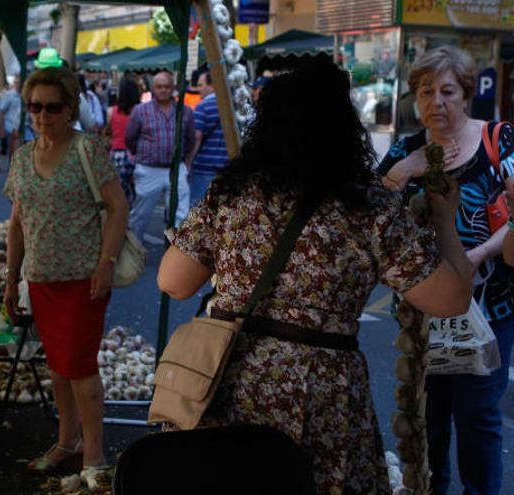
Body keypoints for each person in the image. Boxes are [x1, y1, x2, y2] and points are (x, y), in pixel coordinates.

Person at [157, 56, 473, 495]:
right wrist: (444, 220)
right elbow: (451, 299)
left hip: (227, 379)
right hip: (324, 393)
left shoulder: (232, 193)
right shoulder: (370, 209)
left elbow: (173, 282)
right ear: (345, 129)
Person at [377, 46, 514, 495]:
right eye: (426, 90)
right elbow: (369, 214)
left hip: (489, 305)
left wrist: (478, 256)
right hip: (421, 314)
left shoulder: (499, 139)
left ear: (467, 94)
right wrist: (404, 171)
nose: (437, 101)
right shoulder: (406, 149)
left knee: (479, 415)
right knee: (425, 418)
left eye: (448, 91)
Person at [3, 66, 129, 485]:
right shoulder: (22, 158)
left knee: (79, 365)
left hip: (83, 279)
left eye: (52, 107)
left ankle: (94, 452)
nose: (42, 115)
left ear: (71, 107)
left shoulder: (86, 150)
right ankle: (66, 441)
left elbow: (118, 206)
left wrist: (106, 263)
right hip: (41, 278)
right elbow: (16, 223)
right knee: (58, 366)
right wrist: (11, 277)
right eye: (34, 107)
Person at [125, 70, 195, 242]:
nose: (163, 90)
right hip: (149, 169)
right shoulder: (140, 111)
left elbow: (190, 139)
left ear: (173, 88)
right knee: (140, 214)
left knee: (181, 213)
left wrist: (185, 162)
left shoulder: (184, 111)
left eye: (167, 86)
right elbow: (130, 139)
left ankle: (176, 251)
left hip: (175, 168)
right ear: (153, 88)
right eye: (159, 87)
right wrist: (141, 158)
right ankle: (134, 250)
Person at [187, 70, 229, 206]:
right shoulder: (233, 106)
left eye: (200, 85)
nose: (198, 89)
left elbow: (197, 137)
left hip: (204, 168)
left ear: (213, 85)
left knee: (199, 208)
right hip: (228, 167)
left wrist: (188, 162)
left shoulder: (203, 107)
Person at [105, 77, 140, 206]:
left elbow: (108, 131)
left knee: (120, 191)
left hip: (117, 155)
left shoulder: (111, 111)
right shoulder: (140, 111)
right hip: (135, 155)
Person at [0, 75, 21, 169]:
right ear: (14, 83)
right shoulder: (9, 95)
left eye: (20, 82)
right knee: (13, 151)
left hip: (22, 128)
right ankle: (12, 170)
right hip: (10, 127)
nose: (19, 84)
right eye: (17, 82)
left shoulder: (25, 95)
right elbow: (1, 111)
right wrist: (1, 128)